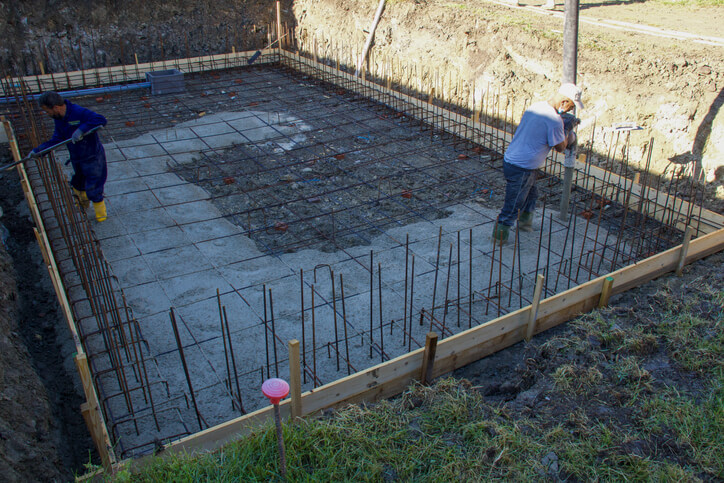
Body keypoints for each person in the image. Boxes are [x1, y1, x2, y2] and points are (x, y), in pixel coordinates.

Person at [492, 83, 583, 243]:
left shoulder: (536, 106)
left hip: (515, 161)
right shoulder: (554, 120)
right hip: (522, 167)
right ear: (563, 102)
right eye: (570, 107)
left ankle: (525, 225)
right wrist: (567, 130)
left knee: (531, 195)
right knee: (513, 205)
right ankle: (499, 239)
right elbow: (560, 147)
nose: (569, 111)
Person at [31, 91, 108, 222]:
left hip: (92, 157)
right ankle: (83, 205)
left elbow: (101, 119)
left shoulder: (78, 112)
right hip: (77, 157)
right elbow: (57, 139)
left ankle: (101, 216)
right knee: (78, 182)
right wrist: (39, 150)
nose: (47, 114)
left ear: (55, 107)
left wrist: (81, 129)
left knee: (94, 186)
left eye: (47, 111)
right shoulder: (59, 120)